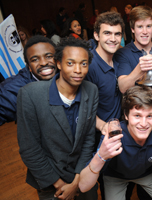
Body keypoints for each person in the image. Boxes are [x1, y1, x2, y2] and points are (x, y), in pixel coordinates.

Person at [17, 37, 98, 200]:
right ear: (59, 64)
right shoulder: (30, 94)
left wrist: (76, 182)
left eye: (83, 64)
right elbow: (29, 148)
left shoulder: (91, 90)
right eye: (70, 63)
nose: (78, 70)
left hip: (82, 176)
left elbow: (89, 139)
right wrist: (61, 185)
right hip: (52, 184)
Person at [79, 85, 152, 200]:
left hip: (147, 174)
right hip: (115, 176)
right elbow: (83, 187)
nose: (144, 124)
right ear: (126, 115)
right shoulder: (113, 136)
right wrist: (101, 156)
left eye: (149, 116)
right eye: (137, 115)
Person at [84, 11, 124, 200]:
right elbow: (81, 107)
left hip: (117, 132)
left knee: (118, 180)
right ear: (96, 35)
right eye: (107, 33)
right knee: (99, 185)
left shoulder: (118, 58)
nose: (113, 39)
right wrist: (102, 127)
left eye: (117, 34)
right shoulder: (89, 66)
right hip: (97, 138)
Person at [115, 5, 152, 113]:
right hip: (140, 116)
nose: (145, 31)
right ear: (132, 29)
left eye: (148, 26)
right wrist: (140, 69)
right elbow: (123, 87)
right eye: (140, 27)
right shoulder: (124, 53)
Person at [0, 35, 57, 126]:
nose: (43, 63)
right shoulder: (13, 90)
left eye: (49, 56)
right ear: (29, 67)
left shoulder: (68, 75)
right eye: (35, 60)